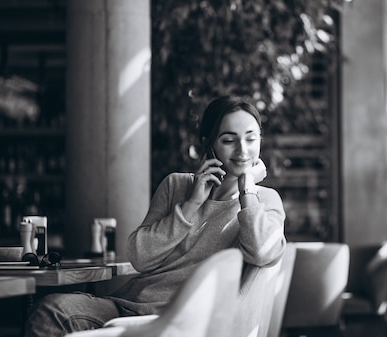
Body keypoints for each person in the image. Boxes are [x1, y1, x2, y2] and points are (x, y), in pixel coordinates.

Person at [25, 95, 287, 337]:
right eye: (229, 140)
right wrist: (192, 204)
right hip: (127, 307)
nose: (242, 150)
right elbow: (140, 257)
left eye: (251, 139)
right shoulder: (176, 186)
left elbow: (263, 252)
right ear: (209, 144)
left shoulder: (263, 201)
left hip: (182, 321)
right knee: (52, 310)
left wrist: (247, 190)